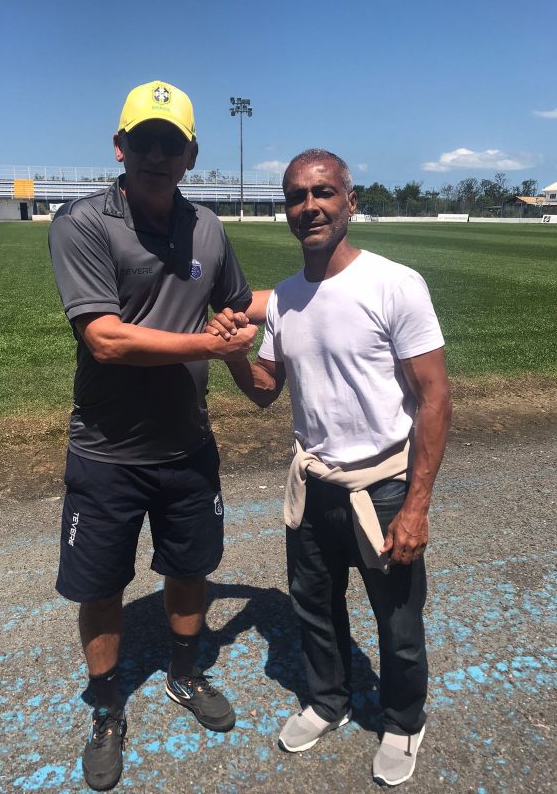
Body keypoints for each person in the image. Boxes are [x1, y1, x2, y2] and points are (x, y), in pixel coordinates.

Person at [206, 149, 452, 786]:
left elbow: (433, 398)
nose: (309, 206)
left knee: (398, 620)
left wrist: (418, 505)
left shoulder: (394, 284)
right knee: (313, 607)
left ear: (350, 201)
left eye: (322, 193)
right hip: (314, 483)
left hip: (384, 487)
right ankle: (328, 700)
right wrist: (233, 357)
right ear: (286, 210)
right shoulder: (286, 299)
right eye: (296, 196)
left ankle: (403, 720)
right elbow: (267, 391)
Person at [48, 79, 268, 791]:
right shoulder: (83, 222)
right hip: (107, 451)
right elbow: (105, 339)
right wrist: (208, 345)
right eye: (142, 140)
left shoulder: (208, 228)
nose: (154, 154)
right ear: (120, 147)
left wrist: (252, 326)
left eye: (169, 145)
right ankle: (107, 707)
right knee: (101, 585)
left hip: (186, 445)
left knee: (189, 566)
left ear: (190, 156)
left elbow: (235, 305)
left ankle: (183, 673)